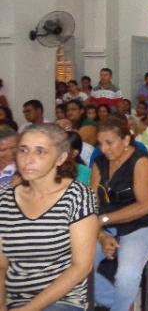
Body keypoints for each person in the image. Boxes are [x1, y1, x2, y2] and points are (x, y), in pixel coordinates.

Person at [0, 124, 98, 311]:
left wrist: (28, 309)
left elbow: (81, 267)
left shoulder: (77, 196)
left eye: (40, 152)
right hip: (14, 298)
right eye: (23, 150)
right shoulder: (4, 198)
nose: (28, 159)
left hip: (62, 300)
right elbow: (1, 264)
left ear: (60, 158)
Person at [91, 117, 148, 311]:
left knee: (126, 276)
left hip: (141, 226)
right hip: (104, 229)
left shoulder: (140, 162)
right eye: (100, 143)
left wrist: (103, 220)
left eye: (109, 143)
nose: (103, 149)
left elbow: (145, 206)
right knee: (77, 266)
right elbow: (92, 204)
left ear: (126, 140)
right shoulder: (99, 163)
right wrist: (101, 235)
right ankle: (122, 304)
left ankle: (120, 306)